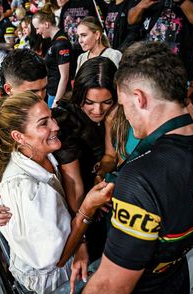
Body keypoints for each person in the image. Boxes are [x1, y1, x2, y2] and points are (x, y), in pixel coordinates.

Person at [82, 41, 193, 294]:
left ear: (139, 98)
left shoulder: (139, 178)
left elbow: (109, 286)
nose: (123, 114)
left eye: (123, 106)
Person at [0, 90, 114, 294]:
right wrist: (88, 207)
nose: (56, 126)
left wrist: (81, 244)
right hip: (50, 285)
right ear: (18, 136)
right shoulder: (25, 189)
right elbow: (56, 260)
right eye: (44, 123)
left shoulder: (42, 156)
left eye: (51, 117)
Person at [0, 49, 47, 224]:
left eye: (44, 89)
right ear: (8, 89)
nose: (41, 97)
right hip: (17, 221)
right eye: (33, 92)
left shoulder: (50, 118)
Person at [52, 56, 117, 261]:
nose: (97, 111)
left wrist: (101, 174)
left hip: (100, 203)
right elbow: (73, 183)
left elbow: (109, 157)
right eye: (89, 102)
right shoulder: (65, 121)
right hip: (77, 213)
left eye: (106, 102)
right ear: (79, 93)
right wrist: (81, 238)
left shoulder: (115, 114)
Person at [127, 0, 193, 81]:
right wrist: (140, 6)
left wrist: (182, 2)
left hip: (178, 69)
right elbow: (131, 20)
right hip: (145, 65)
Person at [32, 3, 72, 108]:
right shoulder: (55, 41)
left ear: (46, 24)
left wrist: (56, 102)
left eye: (37, 28)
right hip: (52, 91)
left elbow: (65, 76)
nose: (37, 32)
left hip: (57, 95)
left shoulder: (61, 43)